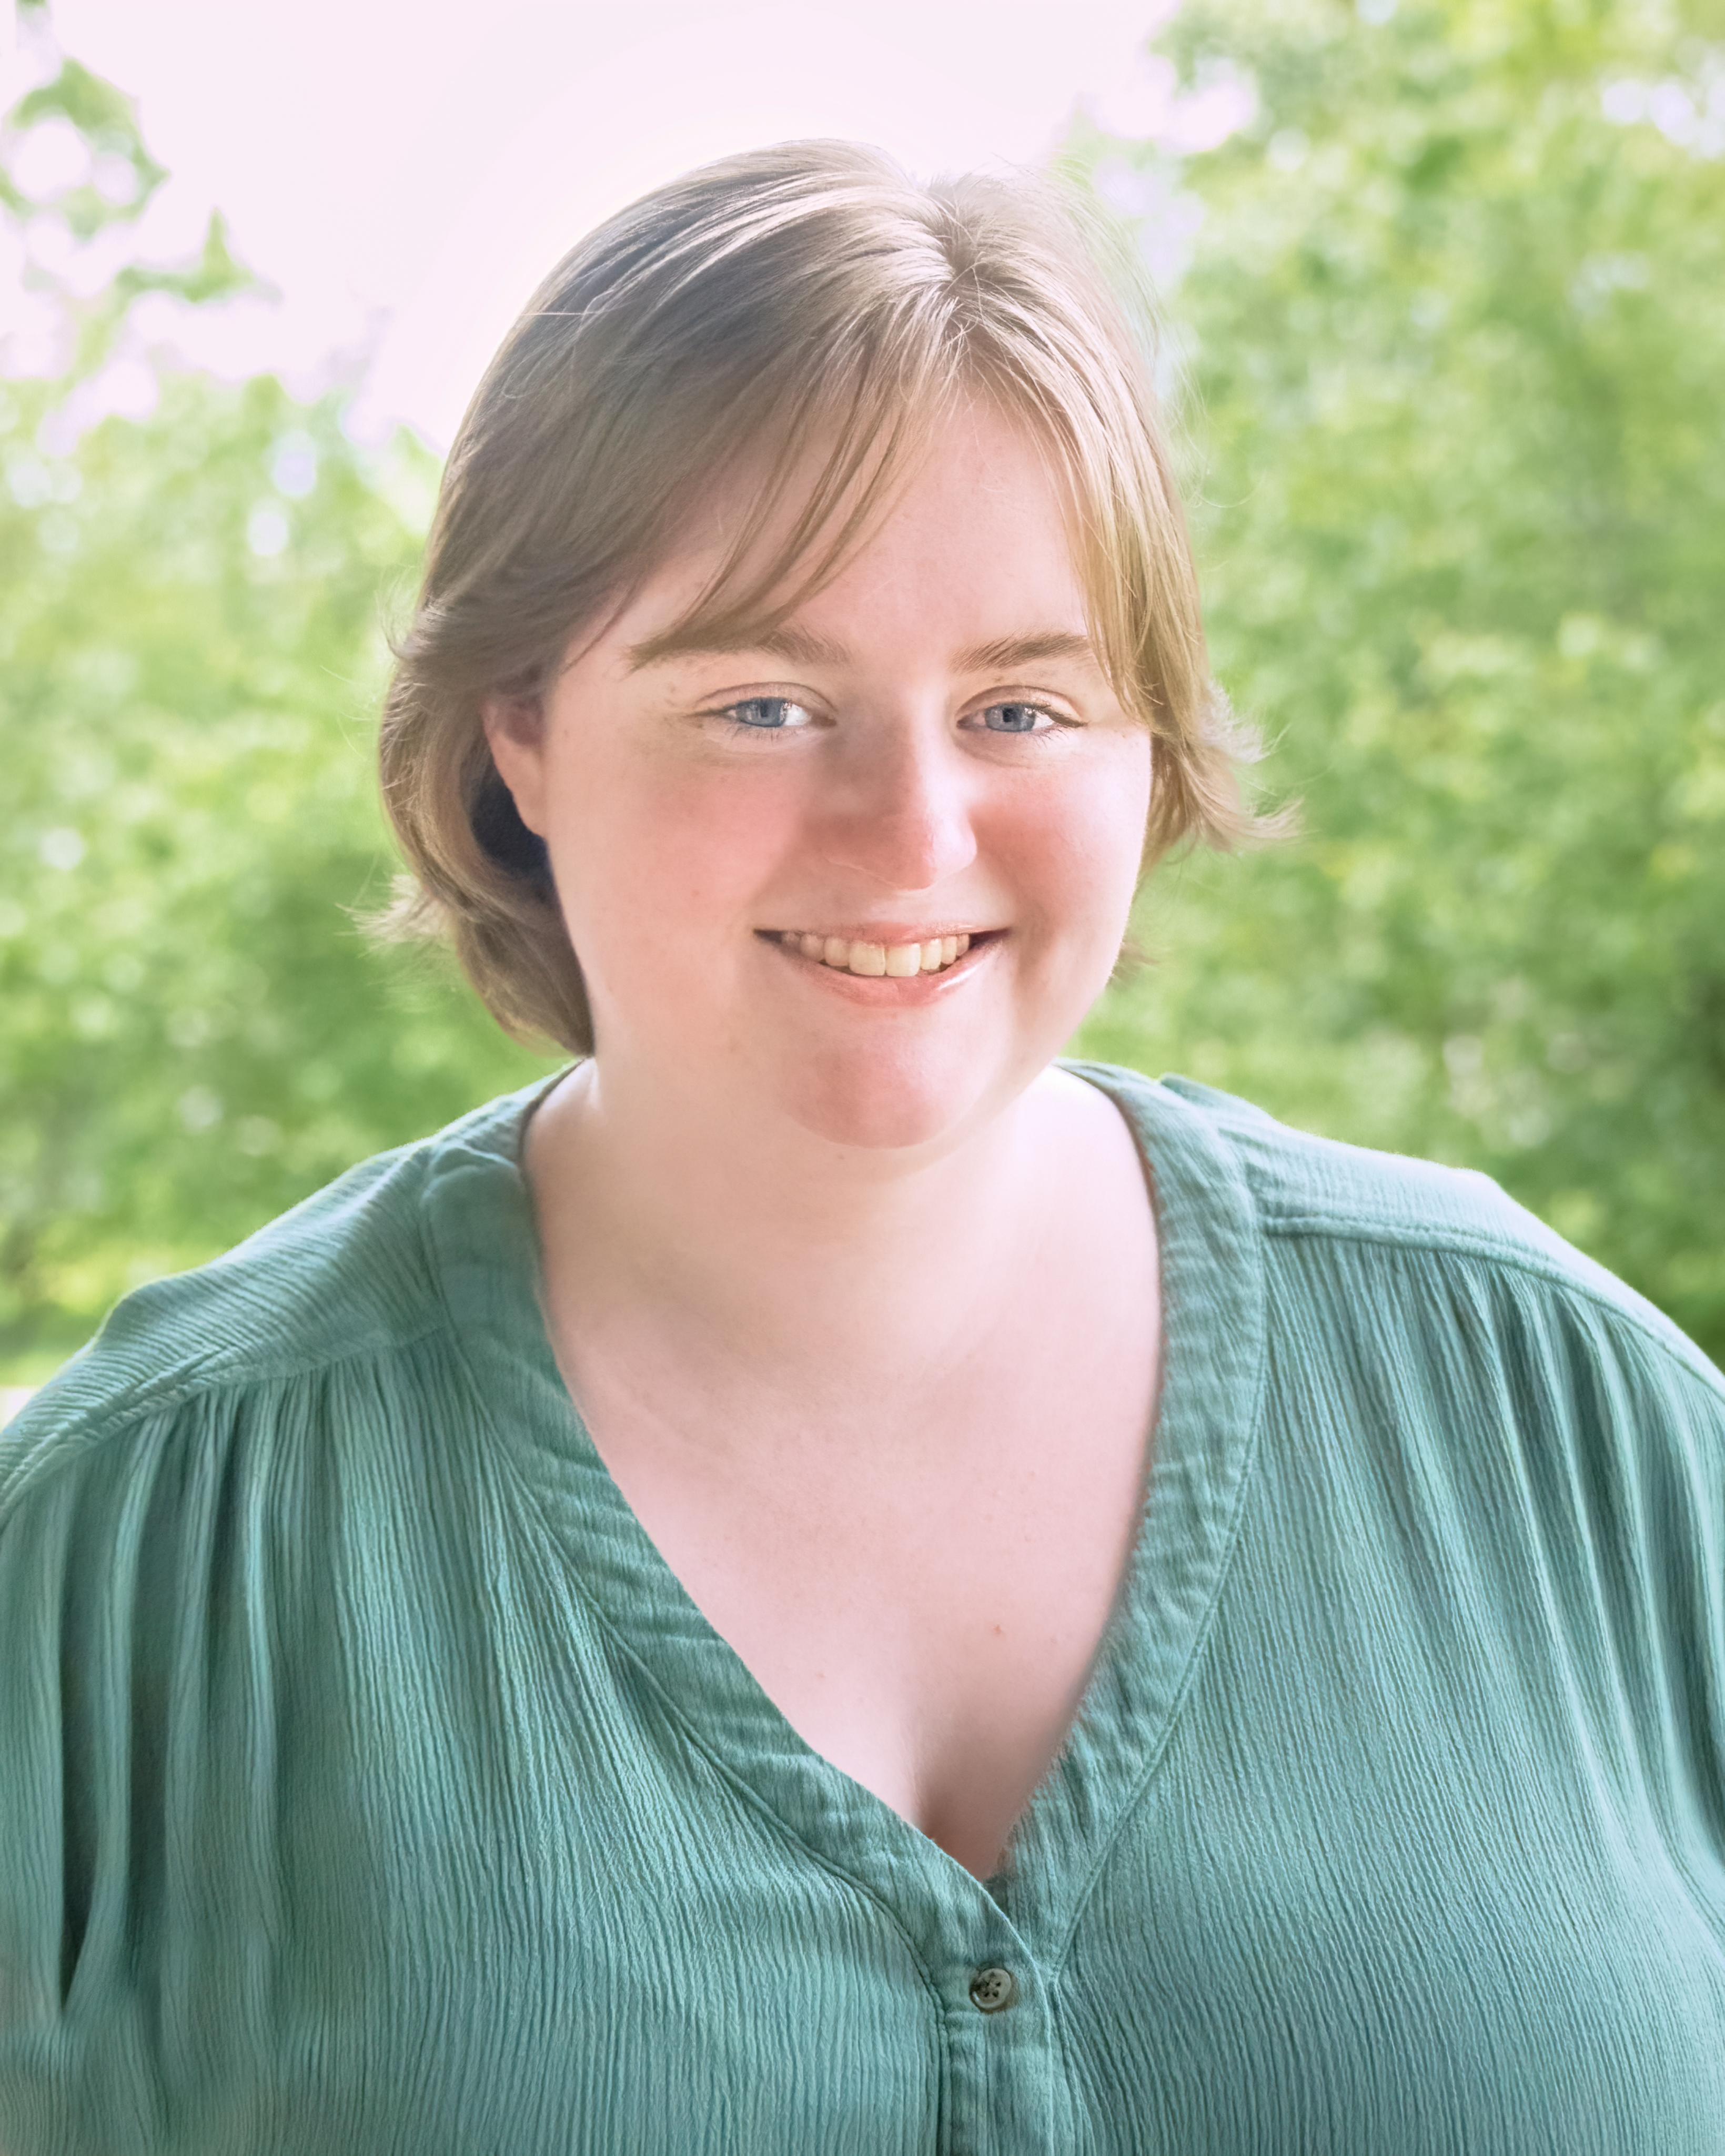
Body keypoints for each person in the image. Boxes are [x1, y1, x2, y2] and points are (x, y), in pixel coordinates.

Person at [3, 139, 1723, 2156]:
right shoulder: (135, 1553)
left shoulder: (1577, 1426)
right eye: (762, 702)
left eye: (1021, 709)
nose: (912, 834)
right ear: (516, 732)